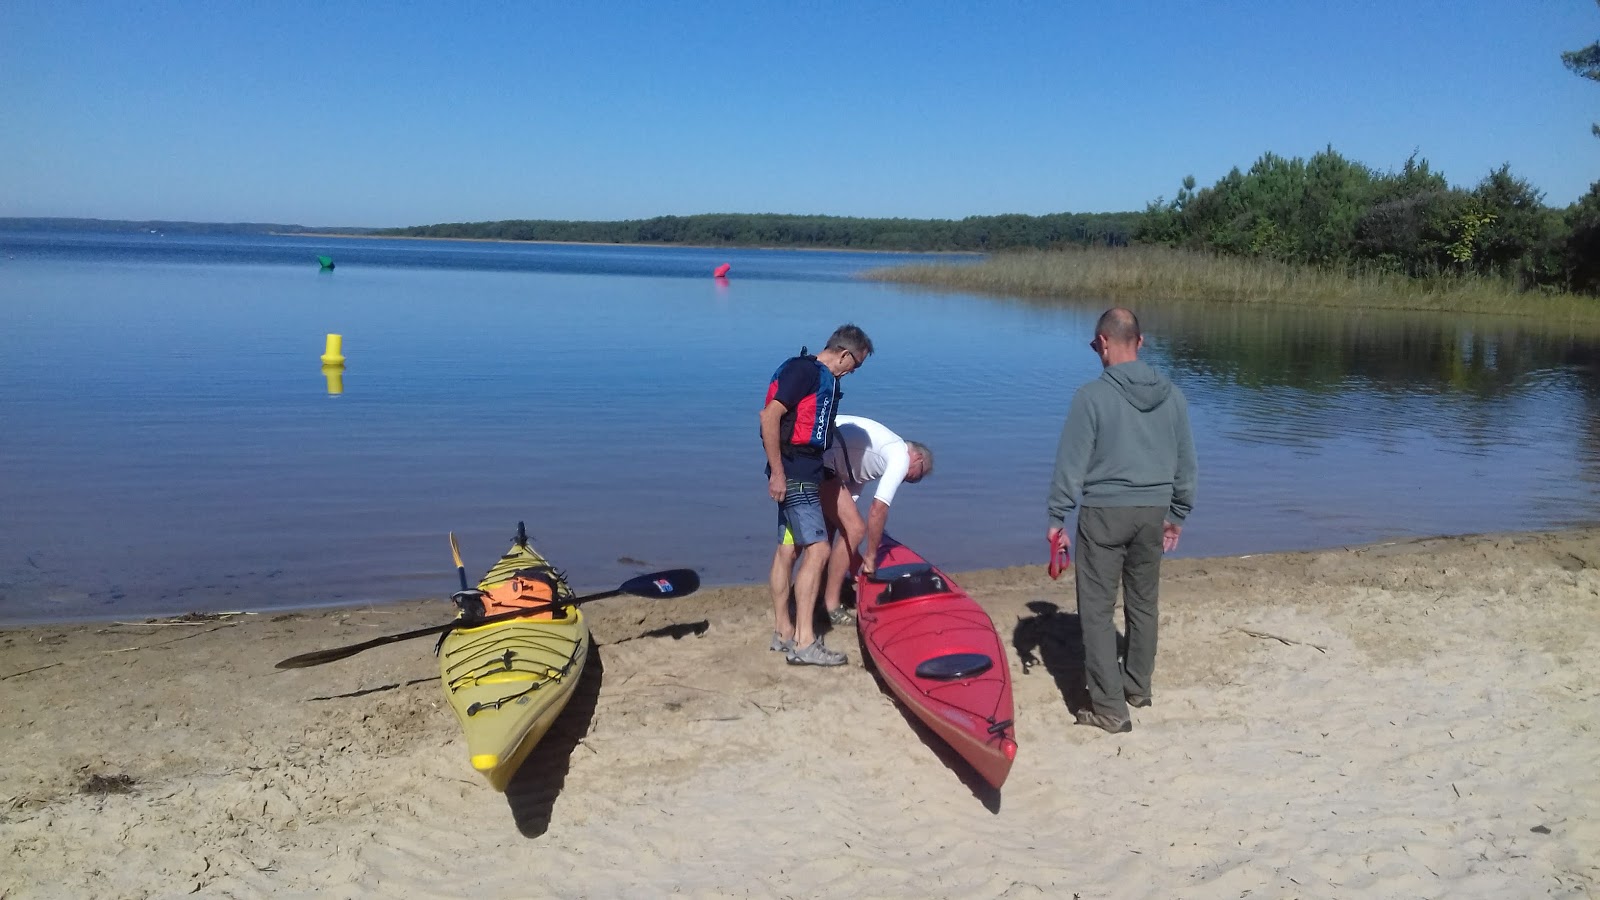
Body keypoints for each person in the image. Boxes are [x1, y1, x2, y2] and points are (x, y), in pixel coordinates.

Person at [1047, 308, 1196, 734]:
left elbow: (1070, 466)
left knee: (1095, 610)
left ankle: (1110, 709)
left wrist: (1056, 516)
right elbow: (1187, 465)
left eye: (1096, 346)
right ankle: (1137, 686)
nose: (1097, 353)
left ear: (1105, 343)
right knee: (1143, 602)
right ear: (1141, 342)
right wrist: (1178, 514)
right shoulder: (1174, 396)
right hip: (1153, 512)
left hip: (1105, 513)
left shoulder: (1091, 397)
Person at [761, 324, 873, 666]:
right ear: (844, 353)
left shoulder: (821, 376)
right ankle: (805, 642)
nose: (853, 372)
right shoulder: (804, 371)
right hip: (795, 474)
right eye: (856, 364)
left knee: (788, 549)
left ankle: (783, 632)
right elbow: (769, 417)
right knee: (819, 549)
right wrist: (778, 473)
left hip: (802, 471)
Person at [819, 415, 933, 618]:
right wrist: (871, 557)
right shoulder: (900, 455)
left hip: (824, 452)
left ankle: (823, 590)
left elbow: (845, 516)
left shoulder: (868, 463)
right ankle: (831, 606)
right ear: (918, 459)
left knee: (834, 530)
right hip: (820, 447)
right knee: (855, 529)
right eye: (917, 476)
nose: (911, 481)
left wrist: (856, 565)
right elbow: (878, 509)